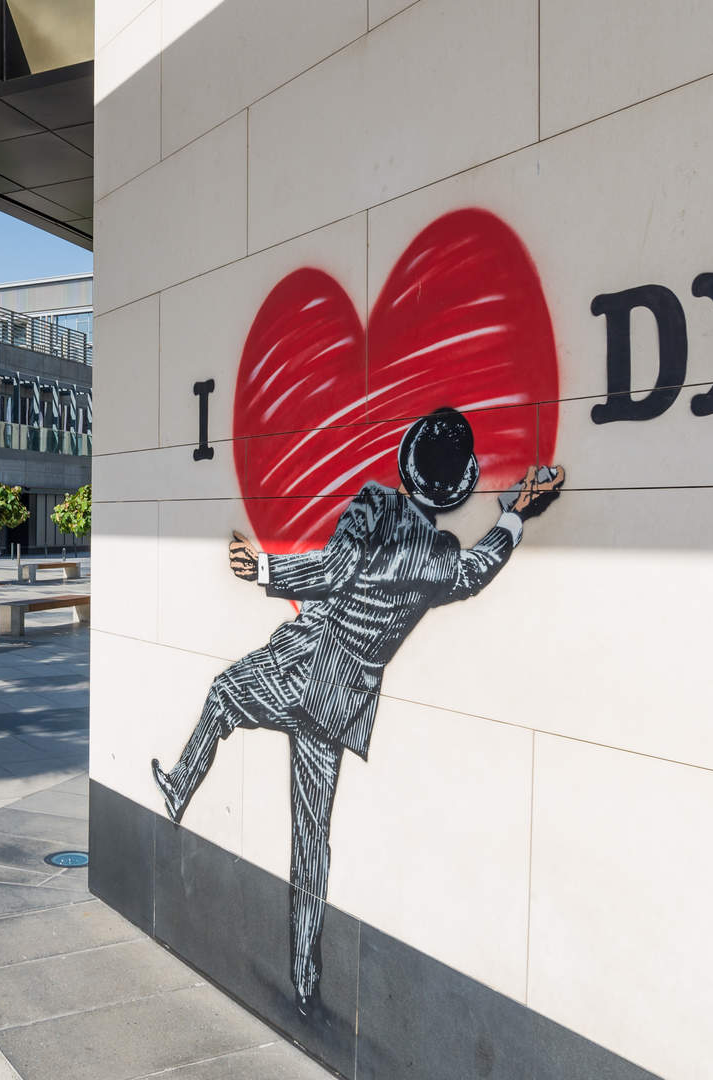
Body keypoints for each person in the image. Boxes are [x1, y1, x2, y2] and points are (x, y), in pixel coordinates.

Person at [150, 407, 565, 1012]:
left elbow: (331, 571)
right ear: (457, 488)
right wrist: (517, 514)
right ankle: (305, 981)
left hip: (300, 671)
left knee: (221, 695)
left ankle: (177, 789)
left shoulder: (373, 504)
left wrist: (263, 567)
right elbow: (479, 569)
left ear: (407, 465)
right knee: (311, 840)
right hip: (340, 704)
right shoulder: (441, 561)